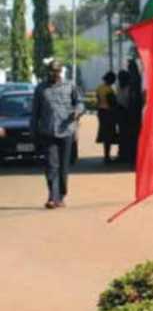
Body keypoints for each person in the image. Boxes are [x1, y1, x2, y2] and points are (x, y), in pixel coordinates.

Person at [30, 60, 83, 210]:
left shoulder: (70, 86)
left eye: (56, 71)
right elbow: (35, 113)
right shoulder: (41, 89)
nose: (54, 74)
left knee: (63, 167)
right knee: (51, 166)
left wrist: (77, 111)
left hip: (66, 132)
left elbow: (80, 102)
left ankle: (61, 195)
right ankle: (52, 197)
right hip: (48, 132)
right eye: (51, 71)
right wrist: (33, 130)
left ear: (60, 72)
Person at [94, 72, 118, 164]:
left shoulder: (99, 88)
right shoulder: (109, 90)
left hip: (101, 112)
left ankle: (106, 155)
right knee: (109, 135)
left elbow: (98, 100)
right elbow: (112, 103)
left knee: (104, 134)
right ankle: (107, 156)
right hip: (109, 113)